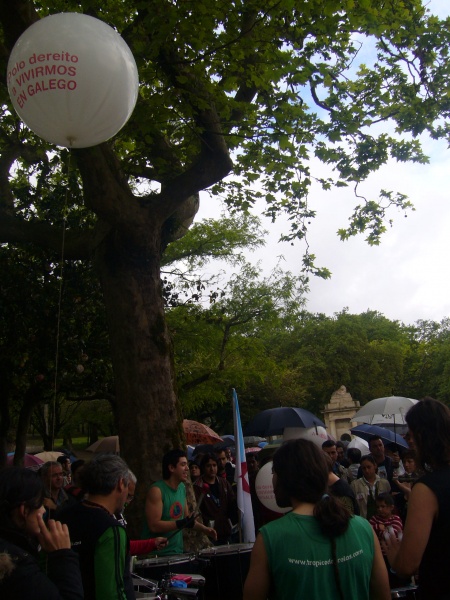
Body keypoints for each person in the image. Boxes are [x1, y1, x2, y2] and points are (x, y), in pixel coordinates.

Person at [243, 439, 390, 600]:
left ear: (285, 478)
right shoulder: (364, 529)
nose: (272, 480)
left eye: (274, 473)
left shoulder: (269, 539)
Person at [383, 397, 450, 598]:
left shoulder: (427, 489)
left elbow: (407, 565)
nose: (408, 442)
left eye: (410, 436)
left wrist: (395, 558)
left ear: (422, 437)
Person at [0, 466, 83, 600]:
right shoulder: (18, 569)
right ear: (24, 510)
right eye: (40, 504)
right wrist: (63, 555)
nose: (44, 510)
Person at [59, 454, 135, 600]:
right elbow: (111, 592)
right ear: (120, 483)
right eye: (127, 486)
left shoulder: (63, 516)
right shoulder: (111, 529)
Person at [142, 449, 216, 555]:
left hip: (177, 552)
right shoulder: (157, 491)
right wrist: (181, 523)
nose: (187, 469)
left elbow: (186, 520)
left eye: (187, 465)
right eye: (183, 465)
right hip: (157, 555)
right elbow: (154, 525)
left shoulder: (181, 488)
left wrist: (205, 529)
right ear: (171, 468)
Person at [193, 453, 237, 545]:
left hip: (226, 531)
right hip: (208, 533)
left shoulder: (224, 483)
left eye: (214, 465)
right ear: (203, 467)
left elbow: (232, 501)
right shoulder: (197, 486)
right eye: (208, 466)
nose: (212, 469)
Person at [351, 455, 390, 519]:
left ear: (375, 466)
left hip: (383, 521)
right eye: (364, 468)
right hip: (364, 521)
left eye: (369, 467)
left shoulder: (384, 483)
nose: (366, 470)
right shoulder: (355, 485)